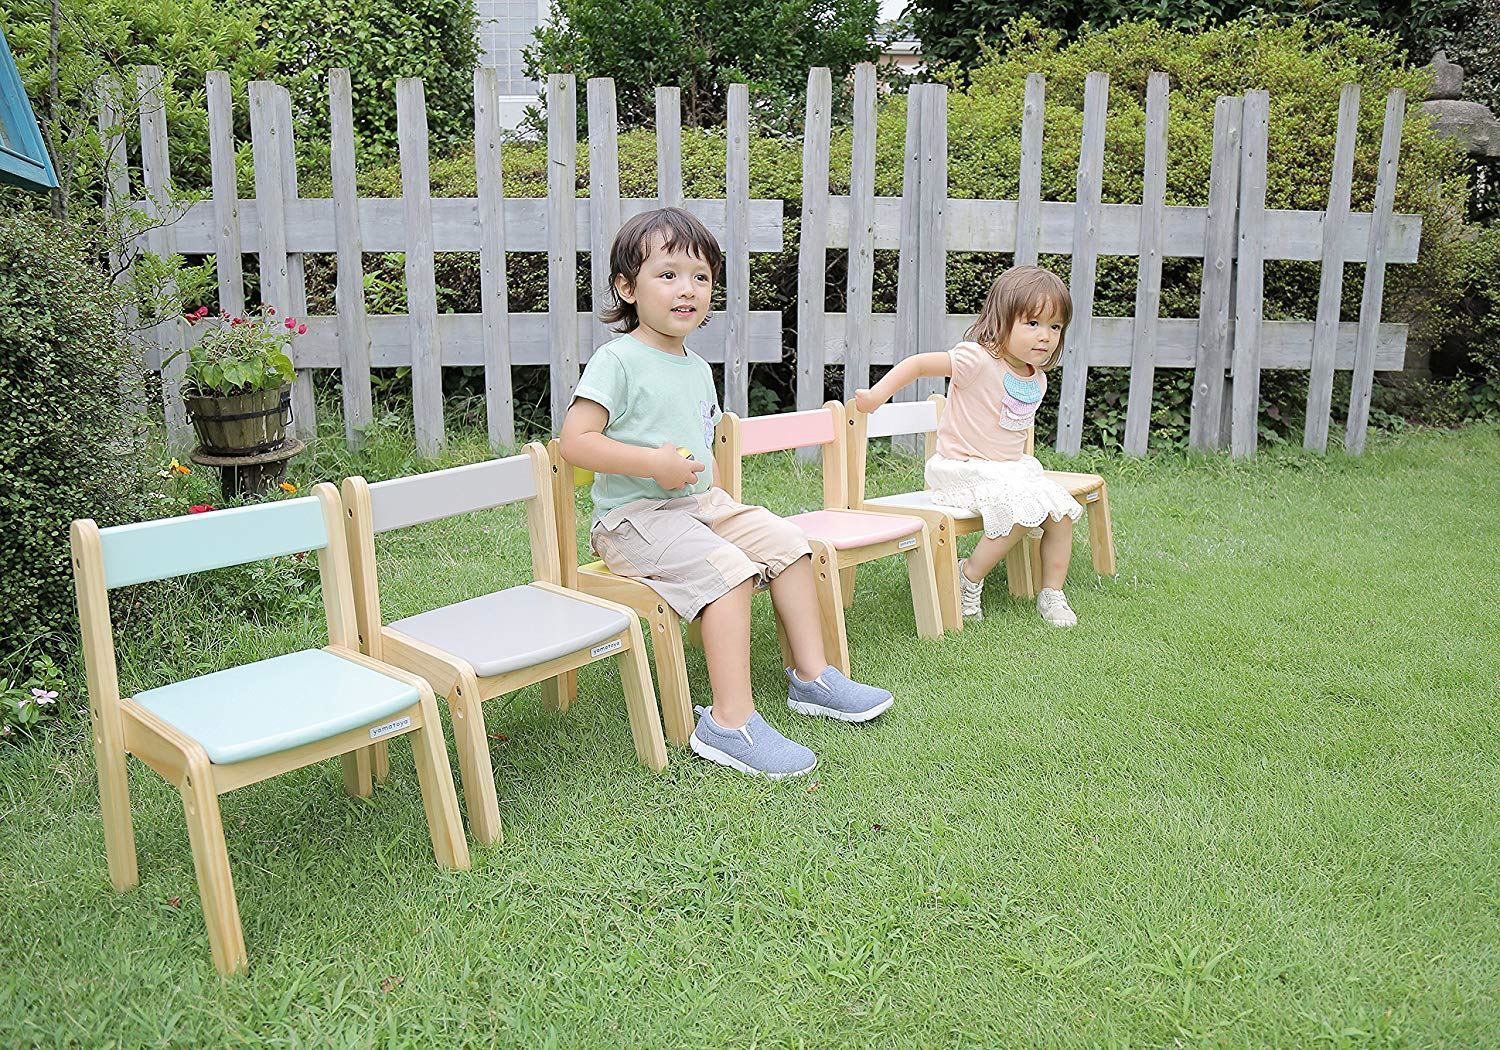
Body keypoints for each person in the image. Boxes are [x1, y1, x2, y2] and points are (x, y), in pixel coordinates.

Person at [559, 207, 894, 779]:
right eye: (668, 275)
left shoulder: (694, 365)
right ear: (627, 288)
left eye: (701, 277)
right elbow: (575, 442)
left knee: (789, 543)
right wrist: (653, 464)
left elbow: (700, 444)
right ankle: (728, 723)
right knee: (731, 571)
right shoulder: (617, 360)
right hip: (633, 520)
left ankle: (812, 678)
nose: (687, 289)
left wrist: (704, 492)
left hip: (697, 507)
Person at [854, 265, 1084, 626]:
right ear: (1001, 320)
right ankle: (969, 575)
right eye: (1033, 323)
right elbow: (918, 365)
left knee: (1060, 515)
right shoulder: (976, 360)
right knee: (1022, 507)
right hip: (962, 468)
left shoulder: (1036, 378)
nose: (1045, 336)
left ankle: (1051, 593)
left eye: (1055, 327)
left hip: (1008, 471)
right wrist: (875, 396)